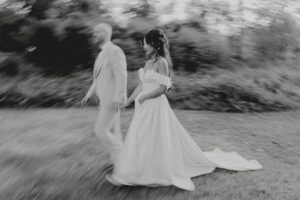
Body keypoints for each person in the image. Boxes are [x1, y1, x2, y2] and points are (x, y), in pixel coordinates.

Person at [105, 29, 262, 191]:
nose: (143, 46)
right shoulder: (147, 64)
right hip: (142, 107)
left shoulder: (162, 63)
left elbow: (163, 88)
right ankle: (139, 167)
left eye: (145, 43)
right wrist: (130, 100)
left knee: (155, 136)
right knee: (141, 136)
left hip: (155, 106)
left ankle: (156, 170)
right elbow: (141, 85)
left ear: (153, 44)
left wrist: (145, 97)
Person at [82, 23, 127, 165]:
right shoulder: (101, 54)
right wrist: (89, 94)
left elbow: (121, 75)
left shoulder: (115, 50)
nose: (93, 35)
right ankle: (117, 163)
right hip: (104, 99)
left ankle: (124, 159)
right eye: (93, 33)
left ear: (105, 34)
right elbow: (97, 78)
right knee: (111, 131)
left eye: (96, 33)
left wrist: (119, 97)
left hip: (112, 100)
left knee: (100, 131)